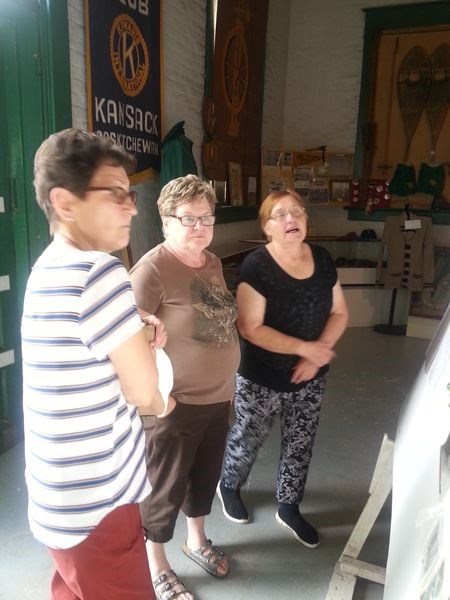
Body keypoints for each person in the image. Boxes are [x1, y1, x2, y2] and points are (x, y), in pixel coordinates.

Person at [21, 128, 167, 600]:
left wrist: (131, 330)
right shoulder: (101, 272)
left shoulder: (48, 267)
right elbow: (146, 394)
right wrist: (158, 383)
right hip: (99, 502)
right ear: (65, 203)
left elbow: (79, 354)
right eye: (116, 193)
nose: (132, 206)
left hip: (56, 497)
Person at [129, 174, 240, 600]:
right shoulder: (153, 268)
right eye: (188, 218)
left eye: (206, 217)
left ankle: (196, 541)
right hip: (176, 405)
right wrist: (159, 398)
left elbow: (215, 324)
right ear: (166, 222)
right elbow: (128, 339)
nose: (199, 227)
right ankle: (156, 565)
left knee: (203, 476)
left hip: (217, 398)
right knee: (164, 486)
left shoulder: (210, 262)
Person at [217, 189, 348, 548]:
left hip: (310, 377)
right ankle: (229, 485)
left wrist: (313, 357)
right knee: (247, 436)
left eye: (298, 212)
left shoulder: (322, 259)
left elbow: (339, 313)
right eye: (280, 214)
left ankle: (289, 506)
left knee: (300, 442)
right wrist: (305, 348)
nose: (291, 219)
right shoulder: (256, 266)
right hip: (261, 377)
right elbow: (249, 327)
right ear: (267, 227)